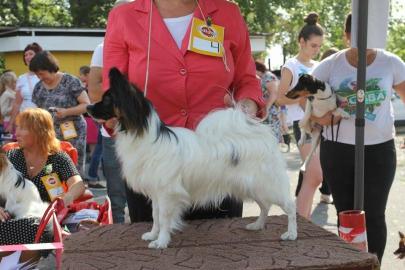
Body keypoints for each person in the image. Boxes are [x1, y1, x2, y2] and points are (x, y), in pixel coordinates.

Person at [101, 0, 265, 222]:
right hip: (151, 162)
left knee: (224, 249)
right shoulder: (124, 16)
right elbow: (114, 89)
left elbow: (246, 79)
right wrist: (115, 115)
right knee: (155, 251)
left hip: (218, 160)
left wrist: (247, 105)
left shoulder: (228, 13)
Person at [311, 13, 405, 263]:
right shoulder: (331, 64)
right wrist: (326, 118)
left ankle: (373, 266)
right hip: (338, 151)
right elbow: (306, 102)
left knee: (374, 215)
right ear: (346, 36)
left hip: (380, 150)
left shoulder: (391, 63)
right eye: (356, 39)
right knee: (346, 214)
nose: (364, 46)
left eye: (371, 39)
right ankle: (350, 266)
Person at [86, 0, 135, 223]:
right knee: (116, 187)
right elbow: (95, 89)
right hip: (113, 130)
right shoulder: (103, 48)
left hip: (142, 130)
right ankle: (119, 231)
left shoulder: (151, 43)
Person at [277, 12, 324, 219]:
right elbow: (280, 98)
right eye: (313, 45)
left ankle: (299, 221)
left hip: (321, 123)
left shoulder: (319, 65)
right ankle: (298, 221)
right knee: (314, 175)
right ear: (302, 42)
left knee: (314, 176)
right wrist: (302, 96)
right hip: (302, 124)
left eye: (319, 46)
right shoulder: (291, 66)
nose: (316, 50)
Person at [6, 108, 86, 205]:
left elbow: (78, 184)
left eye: (22, 128)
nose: (16, 133)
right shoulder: (10, 156)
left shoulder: (58, 157)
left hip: (46, 214)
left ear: (39, 131)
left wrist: (67, 197)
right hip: (13, 213)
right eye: (17, 127)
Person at [29, 51, 90, 177]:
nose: (40, 77)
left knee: (73, 166)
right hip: (50, 134)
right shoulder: (38, 87)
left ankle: (75, 193)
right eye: (37, 74)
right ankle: (56, 195)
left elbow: (86, 105)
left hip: (74, 133)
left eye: (41, 73)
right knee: (51, 169)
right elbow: (38, 111)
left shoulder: (70, 81)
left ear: (50, 68)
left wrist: (66, 112)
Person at [317, 48, 339, 205]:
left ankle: (325, 192)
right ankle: (325, 192)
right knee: (317, 168)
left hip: (329, 130)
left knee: (324, 167)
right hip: (322, 128)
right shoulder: (322, 77)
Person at [7, 43, 42, 133]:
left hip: (42, 120)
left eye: (31, 54)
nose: (27, 57)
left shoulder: (45, 76)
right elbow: (17, 103)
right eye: (25, 55)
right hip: (25, 120)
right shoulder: (21, 78)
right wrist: (11, 124)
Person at [255, 61, 281, 141]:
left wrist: (266, 108)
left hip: (270, 112)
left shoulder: (269, 77)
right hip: (265, 112)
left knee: (271, 137)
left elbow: (274, 93)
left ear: (258, 69)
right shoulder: (264, 77)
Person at [0, 71, 17, 143]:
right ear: (9, 83)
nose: (16, 84)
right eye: (14, 82)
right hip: (8, 122)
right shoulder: (6, 94)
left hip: (15, 121)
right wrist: (14, 106)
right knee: (9, 144)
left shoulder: (12, 93)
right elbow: (3, 111)